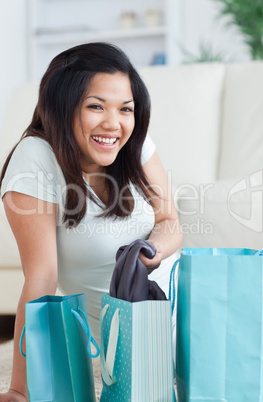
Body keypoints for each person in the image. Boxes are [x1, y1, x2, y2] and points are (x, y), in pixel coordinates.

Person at [0, 42, 182, 401]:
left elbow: (169, 220)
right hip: (141, 344)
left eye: (125, 109)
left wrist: (150, 250)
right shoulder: (35, 158)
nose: (113, 123)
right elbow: (41, 279)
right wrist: (19, 390)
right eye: (96, 106)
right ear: (62, 107)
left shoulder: (134, 142)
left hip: (189, 310)